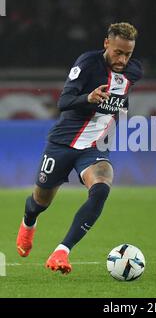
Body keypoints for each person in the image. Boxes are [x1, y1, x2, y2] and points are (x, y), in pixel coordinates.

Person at [16, 22, 143, 274]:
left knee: (101, 188)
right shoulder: (87, 63)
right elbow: (63, 101)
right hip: (63, 143)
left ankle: (62, 251)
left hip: (94, 147)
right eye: (118, 52)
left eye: (128, 54)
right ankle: (28, 223)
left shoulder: (134, 71)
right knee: (39, 202)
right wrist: (88, 98)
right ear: (106, 43)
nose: (122, 59)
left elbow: (121, 96)